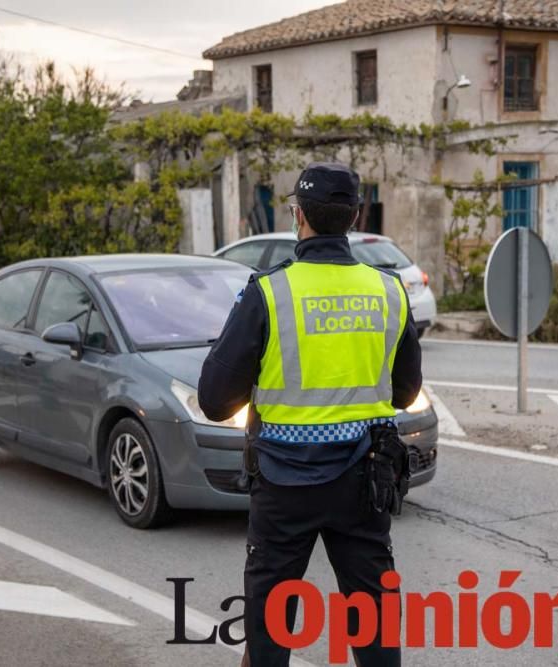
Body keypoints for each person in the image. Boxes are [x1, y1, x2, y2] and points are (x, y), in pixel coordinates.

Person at [199, 162, 422, 666]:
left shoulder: (269, 291)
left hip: (283, 486)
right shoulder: (389, 291)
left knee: (270, 632)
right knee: (374, 627)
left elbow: (215, 401)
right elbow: (407, 393)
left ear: (297, 216)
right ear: (356, 216)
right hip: (365, 482)